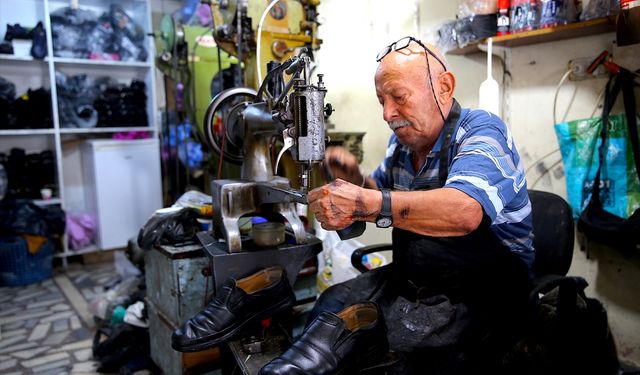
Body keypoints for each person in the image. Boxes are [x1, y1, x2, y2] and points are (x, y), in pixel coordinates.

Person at [306, 37, 534, 373]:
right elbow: (382, 195)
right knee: (331, 307)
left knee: (406, 357)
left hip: (488, 292)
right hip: (418, 277)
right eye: (382, 101)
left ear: (444, 87)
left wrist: (363, 202)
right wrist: (356, 180)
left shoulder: (482, 131)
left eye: (398, 97)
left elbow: (464, 211)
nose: (387, 113)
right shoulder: (402, 145)